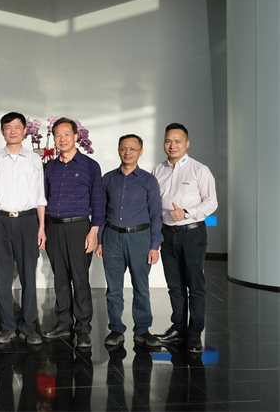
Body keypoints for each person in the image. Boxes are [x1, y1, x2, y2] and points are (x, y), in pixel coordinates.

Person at [152, 123, 217, 354]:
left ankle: (194, 333)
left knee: (195, 285)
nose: (172, 145)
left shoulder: (200, 170)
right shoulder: (157, 171)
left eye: (177, 141)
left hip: (192, 233)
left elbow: (211, 202)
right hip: (167, 235)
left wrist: (186, 213)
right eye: (168, 140)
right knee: (175, 286)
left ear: (187, 143)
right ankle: (178, 329)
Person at [0, 112, 47, 345]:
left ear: (25, 131)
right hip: (0, 221)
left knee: (29, 275)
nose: (13, 131)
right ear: (2, 131)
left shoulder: (34, 160)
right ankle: (7, 326)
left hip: (28, 222)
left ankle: (29, 326)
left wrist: (41, 227)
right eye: (8, 127)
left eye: (17, 127)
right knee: (2, 277)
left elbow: (40, 196)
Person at [43, 117, 105, 348]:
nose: (62, 139)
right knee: (60, 278)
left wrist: (94, 231)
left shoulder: (90, 166)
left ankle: (83, 328)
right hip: (53, 228)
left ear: (76, 136)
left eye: (66, 134)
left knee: (80, 279)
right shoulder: (51, 167)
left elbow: (98, 201)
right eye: (57, 135)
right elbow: (44, 199)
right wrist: (43, 229)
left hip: (79, 228)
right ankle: (63, 323)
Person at [96, 134, 163, 348]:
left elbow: (156, 214)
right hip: (112, 237)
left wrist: (154, 245)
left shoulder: (148, 180)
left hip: (140, 238)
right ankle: (116, 329)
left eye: (133, 149)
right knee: (113, 288)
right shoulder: (107, 179)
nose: (128, 152)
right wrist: (100, 240)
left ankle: (142, 330)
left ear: (140, 152)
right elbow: (100, 212)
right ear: (118, 150)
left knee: (141, 287)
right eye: (124, 148)